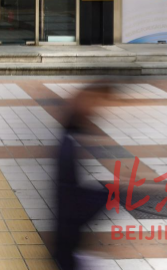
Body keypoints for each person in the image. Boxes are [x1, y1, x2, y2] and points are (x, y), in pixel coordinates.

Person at [53, 82, 113, 270]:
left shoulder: (72, 137)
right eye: (95, 102)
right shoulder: (70, 143)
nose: (98, 109)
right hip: (70, 239)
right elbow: (70, 195)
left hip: (69, 238)